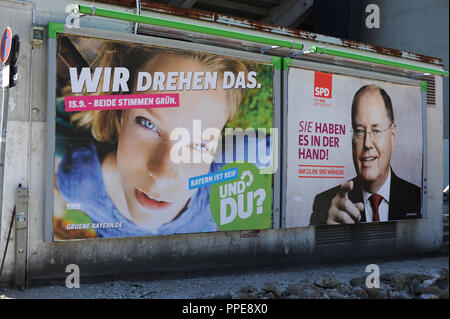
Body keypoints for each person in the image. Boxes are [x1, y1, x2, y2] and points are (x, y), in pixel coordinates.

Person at [54, 40, 249, 238]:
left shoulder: (225, 186)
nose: (163, 175)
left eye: (200, 144)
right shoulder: (79, 182)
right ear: (121, 108)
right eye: (148, 124)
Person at [310, 85, 421, 225]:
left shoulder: (418, 198)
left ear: (392, 136)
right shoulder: (326, 205)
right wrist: (327, 234)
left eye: (377, 131)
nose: (367, 143)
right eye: (360, 131)